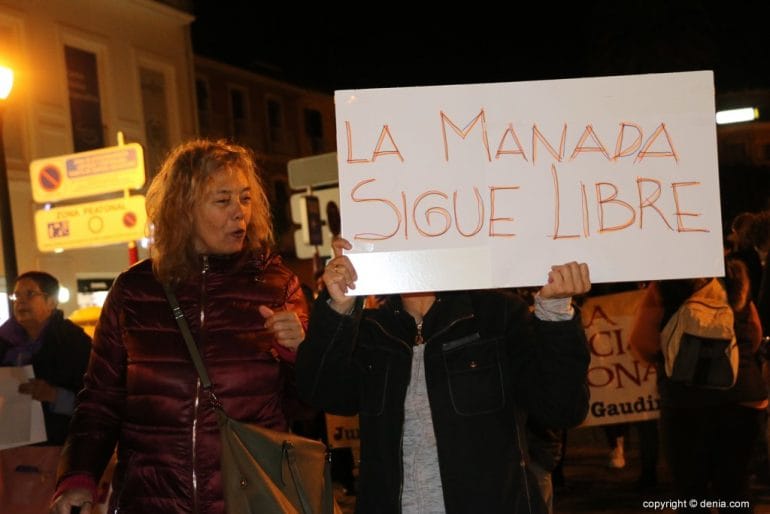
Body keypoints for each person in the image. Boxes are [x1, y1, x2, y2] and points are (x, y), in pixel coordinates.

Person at [49, 139, 309, 514]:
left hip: (251, 502)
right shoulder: (134, 291)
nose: (240, 213)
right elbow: (101, 401)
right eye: (223, 200)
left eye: (246, 198)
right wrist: (77, 476)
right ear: (183, 209)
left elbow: (306, 405)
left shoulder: (277, 285)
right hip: (150, 501)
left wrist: (298, 352)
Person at [296, 238, 592, 514]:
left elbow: (562, 408)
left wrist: (556, 316)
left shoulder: (496, 316)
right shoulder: (371, 330)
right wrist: (337, 307)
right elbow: (320, 391)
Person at [630, 259, 766, 513]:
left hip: (686, 403)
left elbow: (643, 343)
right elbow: (755, 334)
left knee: (691, 492)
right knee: (735, 489)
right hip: (742, 399)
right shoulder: (735, 277)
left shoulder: (664, 286)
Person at [0, 271, 91, 514]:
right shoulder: (3, 342)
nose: (20, 301)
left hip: (56, 452)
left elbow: (94, 402)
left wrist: (54, 396)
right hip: (10, 452)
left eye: (30, 294)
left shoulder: (73, 343)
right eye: (16, 295)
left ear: (52, 301)